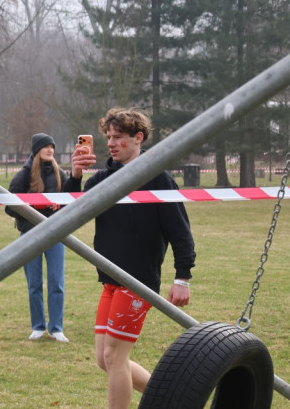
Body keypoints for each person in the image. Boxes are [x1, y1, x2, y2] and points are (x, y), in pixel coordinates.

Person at [63, 108, 195, 409]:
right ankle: (169, 400)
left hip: (137, 281)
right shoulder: (103, 179)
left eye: (118, 137)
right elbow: (68, 214)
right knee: (103, 359)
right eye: (108, 137)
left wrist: (182, 277)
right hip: (111, 279)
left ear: (138, 138)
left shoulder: (158, 178)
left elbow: (180, 231)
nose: (111, 143)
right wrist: (75, 175)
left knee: (114, 356)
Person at [5, 133, 71, 343]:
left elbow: (72, 199)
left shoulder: (61, 173)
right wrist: (34, 207)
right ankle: (38, 326)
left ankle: (56, 328)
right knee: (34, 283)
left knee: (57, 283)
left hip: (56, 235)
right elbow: (9, 206)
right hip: (30, 235)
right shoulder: (23, 175)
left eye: (52, 146)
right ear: (36, 150)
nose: (50, 150)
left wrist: (60, 205)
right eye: (46, 147)